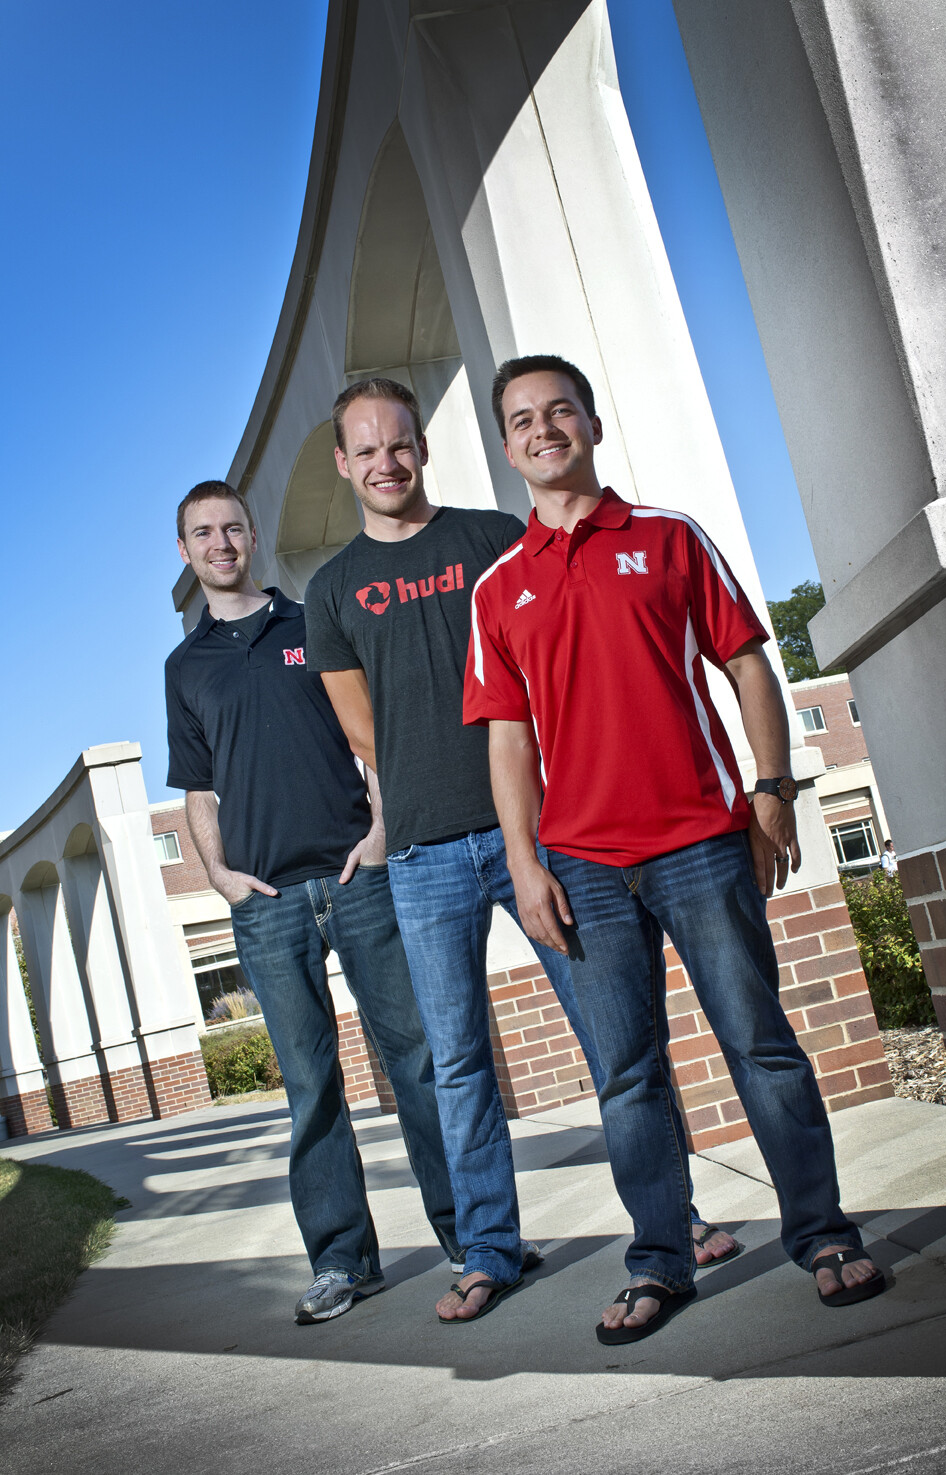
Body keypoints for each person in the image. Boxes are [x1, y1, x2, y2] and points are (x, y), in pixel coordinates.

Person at [464, 354, 886, 1344]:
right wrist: (524, 862)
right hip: (580, 867)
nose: (542, 428)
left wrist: (769, 787)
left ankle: (820, 1232)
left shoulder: (665, 537)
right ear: (507, 447)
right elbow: (507, 736)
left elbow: (745, 660)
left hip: (700, 838)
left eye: (559, 409)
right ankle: (660, 1258)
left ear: (592, 425)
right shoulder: (498, 589)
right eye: (522, 418)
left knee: (760, 1043)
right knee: (626, 1074)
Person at [303, 378, 734, 1324]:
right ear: (343, 463)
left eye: (399, 443)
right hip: (420, 852)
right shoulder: (329, 590)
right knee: (458, 1062)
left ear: (423, 447)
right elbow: (364, 732)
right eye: (365, 449)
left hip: (538, 835)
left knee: (611, 1033)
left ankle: (678, 1218)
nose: (385, 462)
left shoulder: (492, 538)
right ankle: (491, 1248)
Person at [165, 479, 461, 1325]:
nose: (220, 542)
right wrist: (219, 878)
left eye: (232, 527)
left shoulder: (311, 622)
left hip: (355, 879)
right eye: (202, 533)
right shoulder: (183, 669)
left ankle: (469, 1236)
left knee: (418, 1063)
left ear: (252, 536)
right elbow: (199, 790)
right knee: (310, 1086)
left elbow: (370, 731)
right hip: (265, 904)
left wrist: (380, 825)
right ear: (184, 552)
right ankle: (342, 1261)